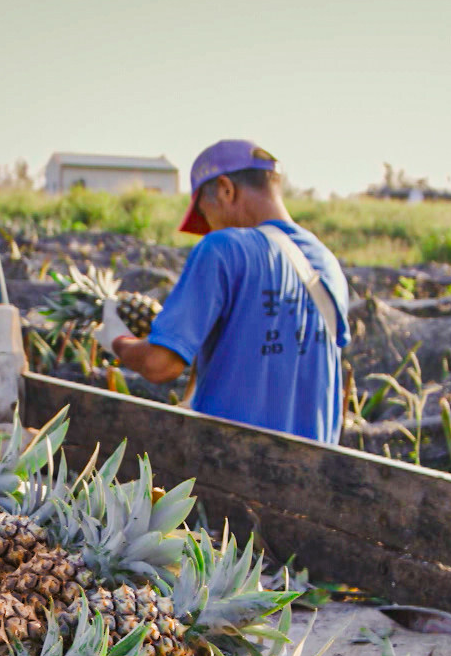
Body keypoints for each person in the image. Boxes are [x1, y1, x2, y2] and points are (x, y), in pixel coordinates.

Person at [99, 139, 349, 444]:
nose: (208, 228)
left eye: (205, 215)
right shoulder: (328, 264)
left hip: (231, 471)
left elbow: (160, 363)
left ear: (226, 189)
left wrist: (117, 340)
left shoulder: (223, 248)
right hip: (316, 476)